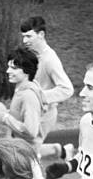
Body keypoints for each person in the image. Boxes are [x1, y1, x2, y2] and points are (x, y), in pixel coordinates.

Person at [0, 46, 73, 179]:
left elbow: (31, 129)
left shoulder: (27, 94)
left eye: (13, 68)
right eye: (8, 67)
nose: (8, 71)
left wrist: (4, 117)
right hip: (19, 152)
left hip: (26, 155)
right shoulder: (24, 88)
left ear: (26, 71)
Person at [20, 15, 75, 160]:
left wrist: (40, 97)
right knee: (21, 148)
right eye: (23, 37)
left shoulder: (50, 59)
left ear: (41, 34)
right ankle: (61, 151)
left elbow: (67, 89)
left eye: (28, 36)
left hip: (44, 115)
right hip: (30, 112)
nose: (25, 41)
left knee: (27, 154)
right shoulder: (32, 55)